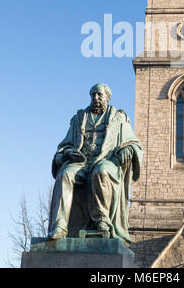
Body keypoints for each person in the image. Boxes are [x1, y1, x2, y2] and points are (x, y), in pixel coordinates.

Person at [48, 83, 142, 245]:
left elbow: (134, 143)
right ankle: (60, 225)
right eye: (93, 95)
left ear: (107, 97)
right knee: (65, 174)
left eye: (99, 95)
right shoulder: (79, 118)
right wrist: (67, 152)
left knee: (101, 172)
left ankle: (102, 221)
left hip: (108, 160)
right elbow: (65, 145)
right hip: (82, 162)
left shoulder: (119, 118)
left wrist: (129, 150)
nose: (95, 98)